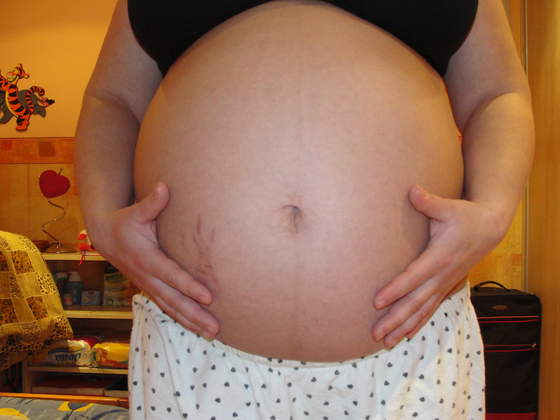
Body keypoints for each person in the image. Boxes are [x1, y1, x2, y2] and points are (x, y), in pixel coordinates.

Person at [75, 0, 534, 418]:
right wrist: (101, 219)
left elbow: (496, 94)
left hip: (407, 349)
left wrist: (493, 211)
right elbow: (112, 100)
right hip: (194, 348)